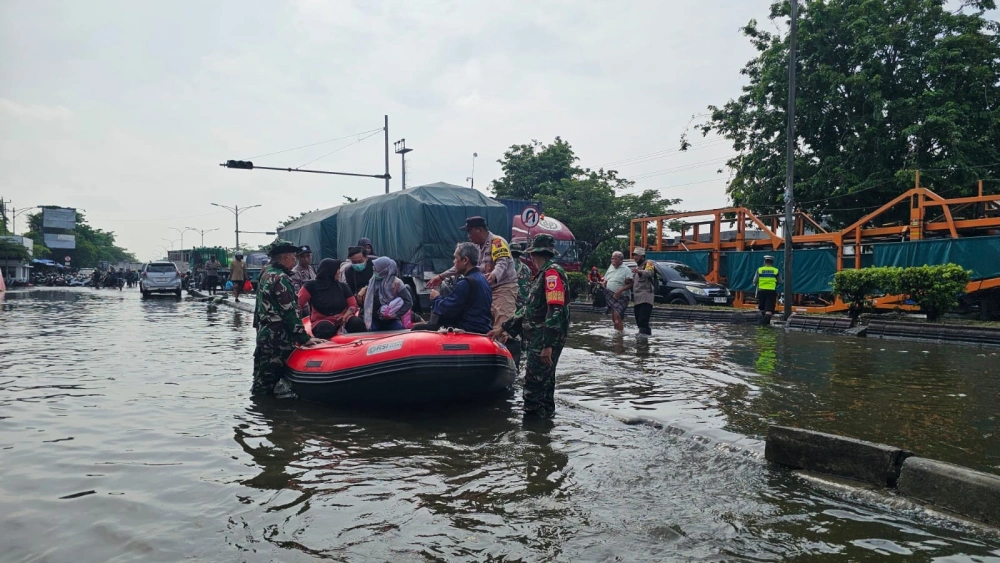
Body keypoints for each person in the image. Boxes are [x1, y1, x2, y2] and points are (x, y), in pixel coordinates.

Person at [488, 234, 570, 419]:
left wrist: (547, 345)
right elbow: (529, 309)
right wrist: (503, 328)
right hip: (540, 337)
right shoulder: (543, 274)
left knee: (533, 387)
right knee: (545, 385)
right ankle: (544, 430)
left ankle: (533, 431)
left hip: (543, 339)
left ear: (534, 254)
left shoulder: (551, 274)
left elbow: (555, 309)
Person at [252, 239, 325, 397]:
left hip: (264, 334)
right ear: (285, 257)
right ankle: (267, 413)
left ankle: (258, 415)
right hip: (278, 338)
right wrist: (304, 338)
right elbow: (290, 311)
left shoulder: (265, 272)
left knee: (260, 377)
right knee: (268, 382)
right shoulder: (281, 279)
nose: (295, 260)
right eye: (293, 257)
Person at [427, 216, 517, 337]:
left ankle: (506, 353)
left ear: (479, 230)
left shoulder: (497, 242)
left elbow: (502, 262)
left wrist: (494, 275)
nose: (468, 235)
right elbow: (460, 265)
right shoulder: (476, 248)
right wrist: (441, 276)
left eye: (470, 231)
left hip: (503, 288)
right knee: (486, 325)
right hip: (488, 288)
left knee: (502, 326)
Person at [413, 242, 493, 334]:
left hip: (468, 329)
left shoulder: (466, 283)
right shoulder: (483, 280)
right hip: (483, 328)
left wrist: (436, 298)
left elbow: (446, 310)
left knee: (417, 328)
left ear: (465, 260)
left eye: (456, 258)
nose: (454, 261)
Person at [298, 258, 366, 338]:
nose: (339, 272)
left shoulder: (342, 286)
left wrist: (345, 316)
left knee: (357, 323)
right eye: (337, 269)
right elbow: (298, 304)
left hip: (343, 318)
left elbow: (353, 305)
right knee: (325, 329)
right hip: (322, 320)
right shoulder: (310, 286)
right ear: (329, 271)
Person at [363, 256, 413, 331]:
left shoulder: (397, 283)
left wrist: (395, 315)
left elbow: (408, 302)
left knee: (399, 331)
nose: (374, 271)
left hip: (391, 319)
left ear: (384, 269)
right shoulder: (372, 280)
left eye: (376, 269)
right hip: (374, 318)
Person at [617, 247, 656, 335]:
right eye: (634, 255)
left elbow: (649, 273)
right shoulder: (637, 267)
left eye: (637, 255)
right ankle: (642, 343)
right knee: (639, 322)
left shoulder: (649, 263)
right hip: (637, 299)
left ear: (642, 256)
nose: (635, 257)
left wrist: (639, 271)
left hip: (646, 298)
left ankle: (644, 342)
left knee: (643, 321)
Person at [603, 251, 631, 332]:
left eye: (615, 258)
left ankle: (620, 336)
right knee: (614, 318)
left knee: (617, 316)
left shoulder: (626, 270)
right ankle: (616, 334)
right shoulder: (610, 267)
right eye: (612, 258)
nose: (613, 260)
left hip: (622, 296)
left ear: (621, 260)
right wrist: (603, 285)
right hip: (611, 295)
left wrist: (620, 291)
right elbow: (606, 279)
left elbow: (630, 284)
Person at [753, 255, 782, 325]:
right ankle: (765, 324)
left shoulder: (759, 270)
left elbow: (755, 281)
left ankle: (761, 323)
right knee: (769, 308)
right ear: (772, 262)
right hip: (771, 291)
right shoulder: (776, 270)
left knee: (762, 308)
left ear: (765, 262)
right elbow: (780, 281)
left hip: (761, 291)